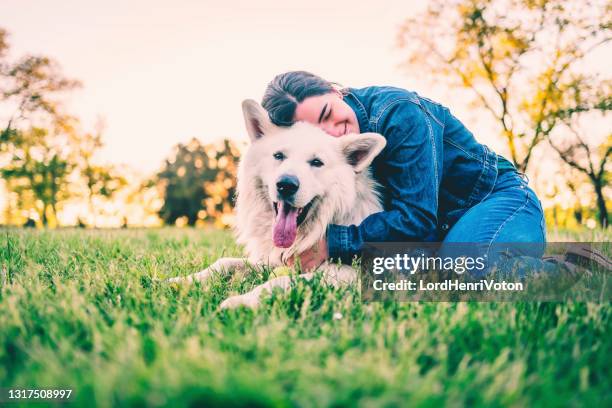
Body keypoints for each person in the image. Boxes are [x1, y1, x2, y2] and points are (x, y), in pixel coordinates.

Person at [260, 71, 601, 276]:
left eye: (328, 112)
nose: (333, 132)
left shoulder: (398, 113)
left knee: (465, 271)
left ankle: (577, 268)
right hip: (438, 231)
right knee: (416, 274)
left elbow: (416, 218)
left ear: (335, 92)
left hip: (499, 200)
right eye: (315, 129)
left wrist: (335, 243)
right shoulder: (330, 155)